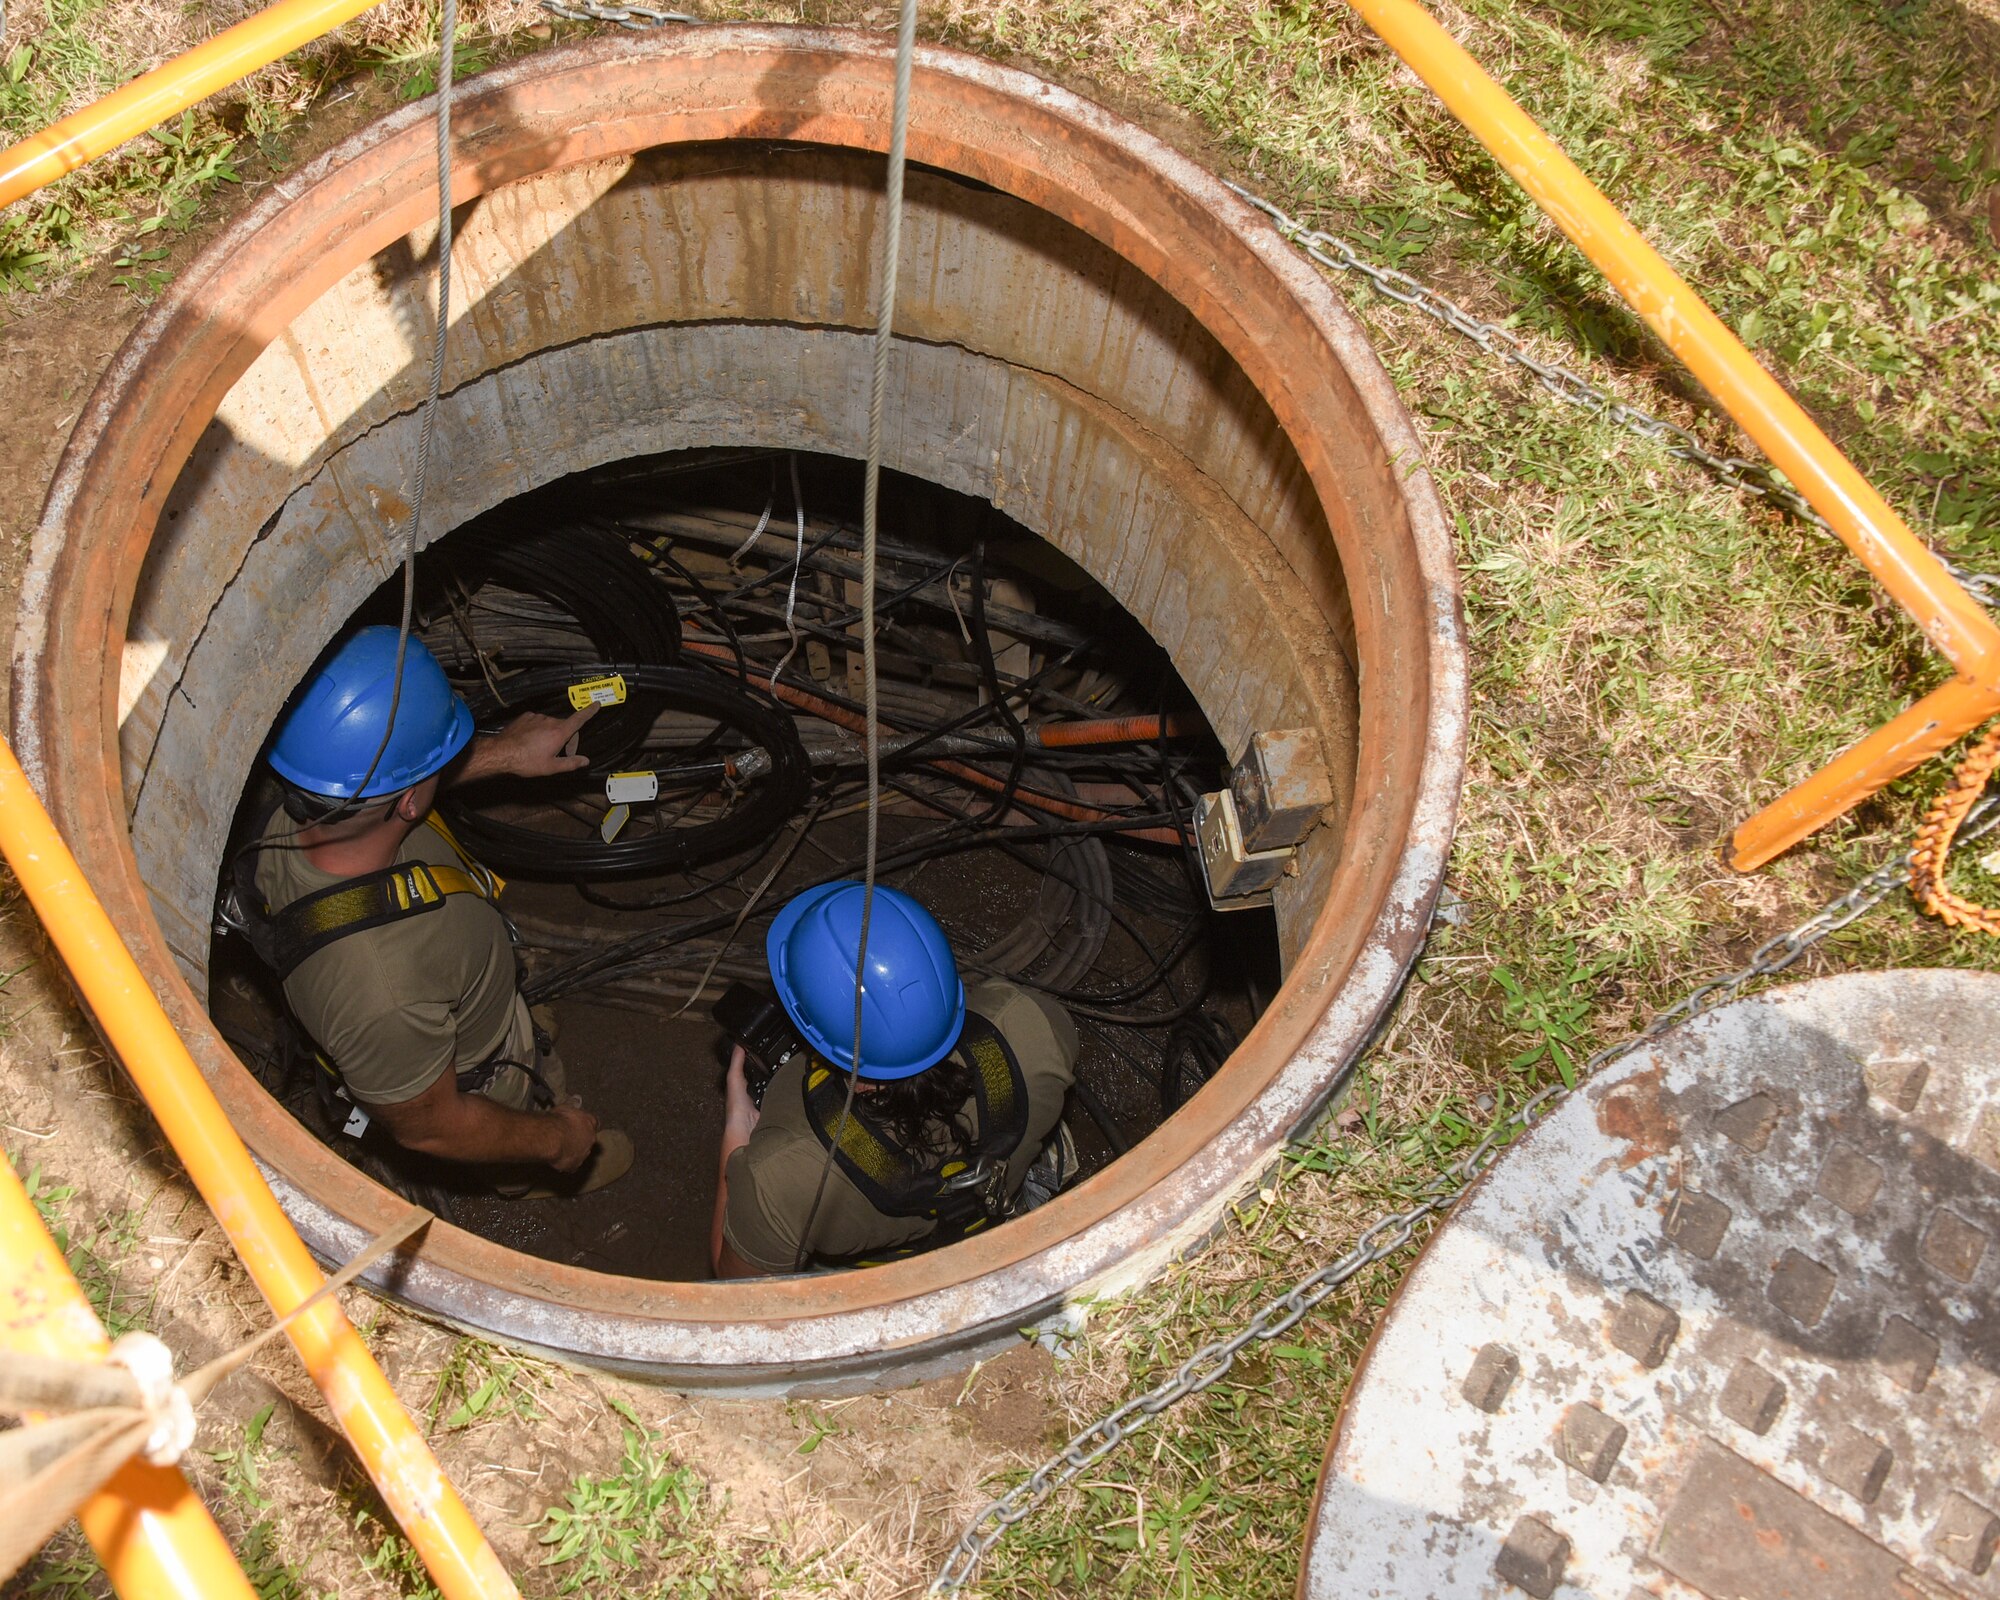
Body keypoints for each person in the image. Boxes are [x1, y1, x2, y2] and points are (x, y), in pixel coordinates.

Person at [236, 625, 632, 1196]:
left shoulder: (288, 791)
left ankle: (512, 1026)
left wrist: (503, 755)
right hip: (479, 1083)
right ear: (408, 798)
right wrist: (558, 1138)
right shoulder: (381, 994)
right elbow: (433, 1127)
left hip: (460, 996)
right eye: (438, 763)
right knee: (514, 1122)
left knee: (511, 1021)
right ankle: (525, 1177)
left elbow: (382, 793)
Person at [712, 881, 1077, 1276]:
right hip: (1000, 1204)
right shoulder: (1035, 1021)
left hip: (889, 1281)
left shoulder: (779, 1178)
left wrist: (735, 1143)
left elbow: (736, 1289)